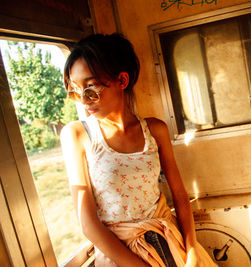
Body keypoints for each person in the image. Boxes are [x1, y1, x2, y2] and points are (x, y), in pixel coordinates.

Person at [60, 33, 215, 267]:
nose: (84, 99)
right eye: (75, 90)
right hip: (120, 254)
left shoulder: (155, 130)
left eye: (91, 88)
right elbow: (89, 224)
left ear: (122, 81)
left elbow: (181, 197)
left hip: (170, 241)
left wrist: (192, 249)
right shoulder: (77, 135)